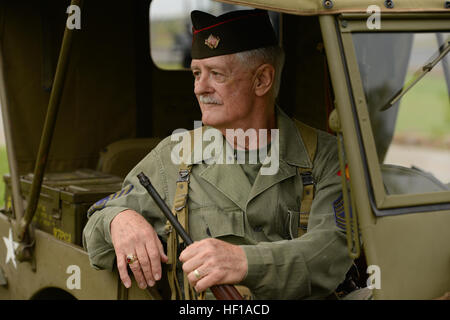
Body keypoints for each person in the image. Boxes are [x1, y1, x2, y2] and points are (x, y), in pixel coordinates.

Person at [82, 9, 353, 300]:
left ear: (262, 80)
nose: (199, 87)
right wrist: (120, 220)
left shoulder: (327, 158)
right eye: (197, 73)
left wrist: (243, 263)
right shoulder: (175, 156)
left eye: (216, 74)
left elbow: (332, 253)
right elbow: (95, 225)